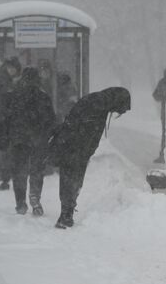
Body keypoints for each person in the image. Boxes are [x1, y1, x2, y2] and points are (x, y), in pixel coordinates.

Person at [47, 87, 130, 228]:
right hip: (73, 148)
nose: (116, 112)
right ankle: (65, 216)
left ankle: (67, 213)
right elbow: (84, 130)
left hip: (75, 148)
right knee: (71, 181)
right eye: (118, 109)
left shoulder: (99, 102)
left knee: (72, 181)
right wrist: (82, 149)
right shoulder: (97, 105)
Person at [0, 68, 55, 215]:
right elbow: (51, 121)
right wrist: (49, 137)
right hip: (38, 140)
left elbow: (5, 120)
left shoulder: (13, 97)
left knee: (19, 171)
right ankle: (35, 196)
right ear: (38, 80)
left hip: (18, 140)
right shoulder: (44, 97)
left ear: (23, 79)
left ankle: (20, 202)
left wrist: (3, 138)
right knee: (37, 170)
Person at [0, 57, 22, 190]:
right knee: (5, 151)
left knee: (15, 151)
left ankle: (15, 177)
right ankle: (5, 178)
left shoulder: (20, 83)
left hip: (15, 122)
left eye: (13, 68)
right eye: (9, 67)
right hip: (4, 121)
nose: (11, 70)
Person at [152, 61, 166, 164]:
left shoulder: (163, 82)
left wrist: (162, 96)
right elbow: (155, 95)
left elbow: (156, 96)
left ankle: (164, 155)